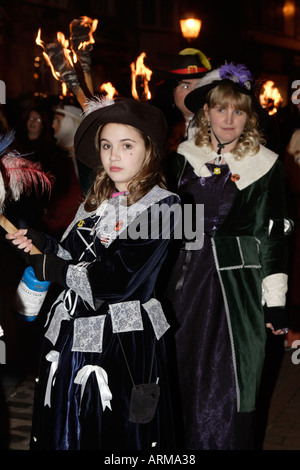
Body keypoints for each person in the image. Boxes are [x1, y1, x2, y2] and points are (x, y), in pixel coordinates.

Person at [5, 97, 180, 450]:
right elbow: (78, 257)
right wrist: (47, 246)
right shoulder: (99, 199)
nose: (114, 156)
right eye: (106, 145)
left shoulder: (165, 205)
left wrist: (53, 267)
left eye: (126, 145)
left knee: (106, 430)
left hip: (120, 343)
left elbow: (117, 282)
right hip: (74, 334)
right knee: (68, 423)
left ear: (149, 150)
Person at [165, 62, 291, 450]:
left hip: (238, 290)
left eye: (239, 110)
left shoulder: (267, 165)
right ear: (205, 111)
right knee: (179, 373)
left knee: (232, 380)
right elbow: (164, 225)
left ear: (249, 116)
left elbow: (272, 235)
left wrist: (275, 304)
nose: (229, 118)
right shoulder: (181, 158)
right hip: (182, 285)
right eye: (221, 109)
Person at [152, 48, 212, 156]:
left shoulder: (222, 128)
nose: (193, 92)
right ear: (172, 92)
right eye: (186, 86)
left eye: (200, 85)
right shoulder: (157, 130)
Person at [42, 105, 84, 239]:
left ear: (69, 124)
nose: (53, 125)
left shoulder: (86, 158)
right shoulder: (54, 157)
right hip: (54, 231)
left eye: (58, 121)